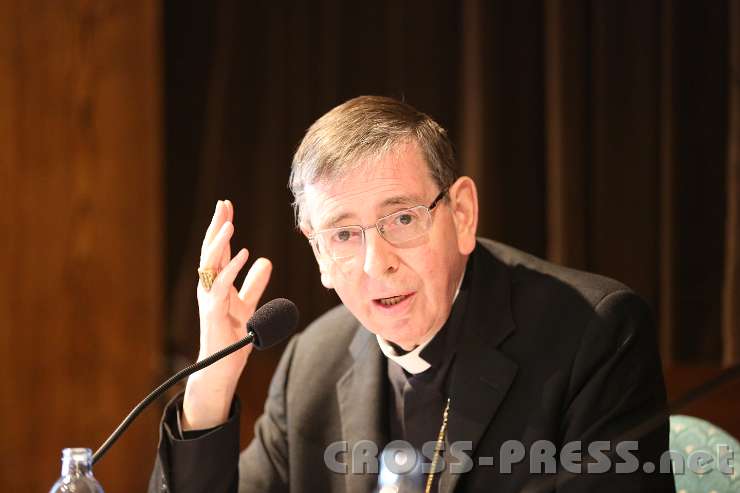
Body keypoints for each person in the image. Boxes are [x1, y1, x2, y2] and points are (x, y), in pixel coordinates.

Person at [149, 96, 675, 492]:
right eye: (342, 234)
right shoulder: (314, 362)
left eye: (401, 218)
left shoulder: (593, 335)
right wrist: (210, 383)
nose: (378, 263)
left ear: (461, 214)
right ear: (318, 257)